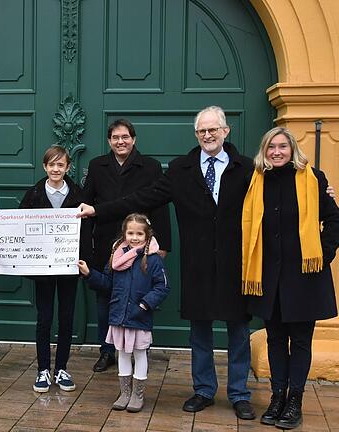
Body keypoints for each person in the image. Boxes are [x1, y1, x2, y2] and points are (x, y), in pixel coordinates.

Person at [78, 106, 256, 420]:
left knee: (238, 331)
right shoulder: (180, 169)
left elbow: (279, 190)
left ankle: (239, 393)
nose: (207, 135)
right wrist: (97, 210)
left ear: (226, 131)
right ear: (196, 134)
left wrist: (320, 186)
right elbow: (141, 199)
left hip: (235, 263)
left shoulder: (247, 169)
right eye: (202, 130)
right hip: (198, 263)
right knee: (199, 331)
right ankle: (203, 390)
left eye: (213, 129)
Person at [242, 127, 339, 429]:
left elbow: (333, 219)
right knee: (274, 340)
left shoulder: (314, 179)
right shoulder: (257, 181)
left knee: (299, 341)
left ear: (292, 149)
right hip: (268, 277)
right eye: (271, 147)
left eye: (282, 146)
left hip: (304, 277)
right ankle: (276, 397)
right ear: (264, 150)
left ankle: (294, 399)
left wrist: (323, 256)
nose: (277, 152)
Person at [0, 145, 86, 393]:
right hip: (42, 269)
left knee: (66, 318)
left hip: (68, 267)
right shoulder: (32, 194)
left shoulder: (79, 194)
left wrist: (86, 261)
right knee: (44, 318)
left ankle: (61, 368)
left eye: (60, 165)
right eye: (51, 165)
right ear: (45, 167)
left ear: (68, 167)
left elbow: (88, 232)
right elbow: (16, 229)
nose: (56, 169)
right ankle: (43, 369)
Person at [81, 119, 171, 372]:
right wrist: (84, 247)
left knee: (139, 298)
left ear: (134, 139)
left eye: (125, 137)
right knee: (104, 302)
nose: (120, 142)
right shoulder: (97, 165)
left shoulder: (151, 166)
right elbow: (86, 205)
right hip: (106, 244)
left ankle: (138, 350)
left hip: (140, 246)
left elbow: (160, 205)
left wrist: (163, 243)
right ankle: (107, 351)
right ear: (109, 141)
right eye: (115, 137)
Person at [78, 213, 170, 413]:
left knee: (139, 354)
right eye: (130, 233)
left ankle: (137, 395)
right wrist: (89, 274)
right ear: (124, 233)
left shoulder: (152, 259)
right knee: (122, 354)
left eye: (139, 234)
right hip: (119, 315)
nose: (134, 237)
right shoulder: (116, 257)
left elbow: (161, 287)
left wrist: (144, 305)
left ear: (147, 235)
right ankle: (125, 393)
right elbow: (108, 284)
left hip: (139, 316)